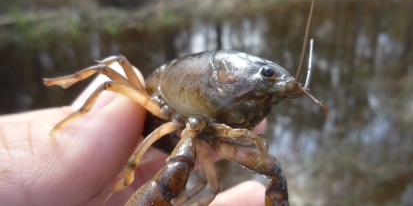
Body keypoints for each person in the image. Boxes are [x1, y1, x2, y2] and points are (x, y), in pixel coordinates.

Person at [0, 66, 266, 205]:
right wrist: (75, 117)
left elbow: (211, 188)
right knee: (111, 75)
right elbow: (109, 79)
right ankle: (73, 99)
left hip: (177, 134)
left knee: (213, 185)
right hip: (156, 114)